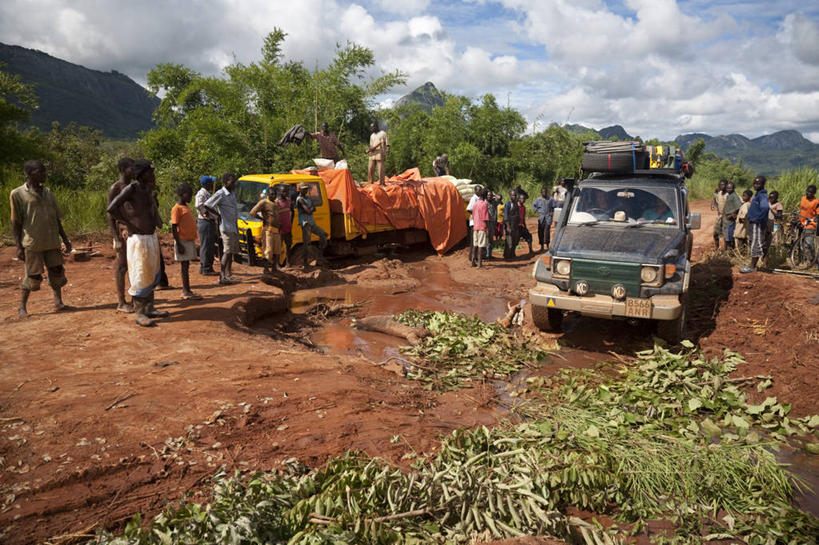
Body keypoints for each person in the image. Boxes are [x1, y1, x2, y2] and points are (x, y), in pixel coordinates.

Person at [106, 159, 169, 326]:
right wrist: (128, 222)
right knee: (140, 275)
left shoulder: (148, 190)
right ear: (142, 174)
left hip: (150, 237)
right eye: (151, 173)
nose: (153, 176)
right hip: (138, 239)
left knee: (150, 272)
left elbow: (153, 214)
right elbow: (111, 208)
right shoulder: (131, 189)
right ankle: (140, 313)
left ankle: (150, 308)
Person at [11, 160, 72, 318]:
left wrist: (65, 239)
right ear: (29, 174)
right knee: (32, 275)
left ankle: (58, 302)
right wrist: (18, 246)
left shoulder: (48, 193)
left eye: (44, 171)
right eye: (40, 171)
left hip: (51, 241)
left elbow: (56, 219)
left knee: (57, 271)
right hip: (33, 242)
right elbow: (16, 222)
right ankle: (22, 308)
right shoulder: (17, 194)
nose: (44, 174)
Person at [107, 157, 135, 312]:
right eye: (131, 168)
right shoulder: (116, 188)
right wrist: (116, 237)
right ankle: (121, 301)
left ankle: (133, 298)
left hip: (132, 231)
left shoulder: (132, 187)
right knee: (122, 265)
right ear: (124, 170)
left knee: (133, 265)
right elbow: (110, 213)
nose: (134, 171)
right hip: (122, 231)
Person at [202, 173, 239, 285]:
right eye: (232, 182)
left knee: (231, 251)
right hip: (226, 227)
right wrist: (218, 215)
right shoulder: (221, 193)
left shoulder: (232, 193)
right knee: (227, 252)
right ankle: (221, 276)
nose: (234, 184)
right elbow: (207, 205)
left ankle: (228, 274)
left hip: (233, 226)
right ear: (225, 182)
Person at [171, 183, 201, 299]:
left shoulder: (185, 207)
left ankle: (187, 289)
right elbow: (174, 227)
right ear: (182, 195)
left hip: (188, 240)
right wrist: (178, 244)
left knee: (186, 265)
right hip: (182, 241)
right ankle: (185, 290)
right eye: (189, 195)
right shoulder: (177, 209)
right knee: (184, 266)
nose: (190, 198)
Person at [740, 176, 770, 273]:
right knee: (753, 242)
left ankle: (752, 267)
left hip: (757, 224)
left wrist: (758, 219)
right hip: (754, 223)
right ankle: (752, 265)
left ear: (763, 184)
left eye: (758, 183)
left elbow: (765, 208)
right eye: (755, 183)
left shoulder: (762, 196)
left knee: (756, 243)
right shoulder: (758, 195)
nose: (756, 185)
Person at [295, 182, 328, 269]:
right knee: (307, 243)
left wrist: (311, 209)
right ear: (299, 189)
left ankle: (320, 257)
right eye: (304, 189)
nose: (306, 190)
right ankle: (305, 262)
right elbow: (309, 211)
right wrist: (311, 209)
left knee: (323, 234)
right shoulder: (300, 199)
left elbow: (313, 209)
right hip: (305, 223)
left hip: (311, 222)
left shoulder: (307, 198)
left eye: (306, 188)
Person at [250, 186, 282, 274]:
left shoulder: (275, 203)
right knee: (268, 250)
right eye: (272, 194)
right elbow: (252, 212)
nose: (274, 196)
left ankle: (274, 268)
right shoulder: (264, 202)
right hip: (268, 230)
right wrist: (262, 219)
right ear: (268, 194)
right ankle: (266, 269)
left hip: (276, 230)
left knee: (277, 250)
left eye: (275, 194)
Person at [195, 175, 219, 276]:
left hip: (209, 221)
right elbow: (198, 205)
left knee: (209, 245)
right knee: (206, 245)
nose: (212, 184)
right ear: (207, 184)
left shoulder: (207, 193)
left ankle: (205, 266)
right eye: (210, 182)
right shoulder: (201, 194)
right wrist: (206, 213)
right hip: (205, 221)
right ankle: (206, 268)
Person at [532, 186, 557, 251]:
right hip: (541, 218)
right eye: (543, 192)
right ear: (541, 192)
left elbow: (555, 206)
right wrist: (537, 211)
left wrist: (553, 212)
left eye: (545, 192)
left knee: (547, 231)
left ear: (547, 192)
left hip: (548, 218)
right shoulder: (538, 200)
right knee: (540, 231)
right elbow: (533, 205)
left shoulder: (551, 199)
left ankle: (547, 245)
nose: (544, 193)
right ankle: (542, 246)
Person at [798, 184, 818, 262]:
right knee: (800, 242)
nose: (808, 193)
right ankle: (802, 260)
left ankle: (813, 260)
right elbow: (801, 210)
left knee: (809, 243)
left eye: (811, 192)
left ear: (814, 193)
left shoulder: (816, 202)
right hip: (801, 223)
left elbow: (818, 214)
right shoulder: (803, 198)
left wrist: (815, 219)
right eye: (808, 191)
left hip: (810, 225)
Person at [470, 187, 489, 268]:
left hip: (475, 227)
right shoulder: (484, 204)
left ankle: (473, 261)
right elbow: (485, 218)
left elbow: (473, 216)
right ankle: (479, 263)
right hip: (481, 227)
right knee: (481, 246)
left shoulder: (475, 204)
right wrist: (487, 229)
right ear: (485, 196)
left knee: (475, 245)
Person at [276, 186, 294, 267]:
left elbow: (292, 211)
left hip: (288, 228)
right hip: (280, 229)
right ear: (279, 192)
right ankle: (277, 264)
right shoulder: (276, 202)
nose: (285, 193)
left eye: (286, 192)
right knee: (278, 247)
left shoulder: (289, 201)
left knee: (288, 246)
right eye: (283, 192)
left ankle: (288, 263)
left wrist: (291, 222)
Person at [466, 185, 483, 264]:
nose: (479, 191)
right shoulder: (474, 199)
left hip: (477, 222)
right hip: (474, 223)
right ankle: (472, 258)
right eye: (478, 190)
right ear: (475, 191)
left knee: (475, 241)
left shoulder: (479, 199)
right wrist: (475, 215)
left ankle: (474, 257)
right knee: (474, 242)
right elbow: (469, 209)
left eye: (480, 190)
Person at [722, 182, 742, 250]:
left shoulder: (734, 196)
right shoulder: (729, 195)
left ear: (733, 188)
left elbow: (738, 207)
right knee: (726, 237)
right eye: (727, 188)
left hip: (730, 221)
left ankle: (730, 253)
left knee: (730, 239)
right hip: (726, 220)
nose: (728, 189)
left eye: (730, 188)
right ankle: (727, 251)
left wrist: (731, 215)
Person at [711, 179, 728, 250]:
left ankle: (726, 249)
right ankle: (716, 247)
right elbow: (715, 199)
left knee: (726, 235)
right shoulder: (719, 193)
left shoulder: (729, 194)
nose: (722, 186)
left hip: (727, 217)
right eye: (720, 185)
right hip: (720, 216)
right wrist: (715, 205)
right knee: (715, 233)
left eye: (723, 185)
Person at [503, 190, 519, 260]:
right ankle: (507, 256)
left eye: (515, 195)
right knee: (509, 242)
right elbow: (506, 217)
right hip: (509, 225)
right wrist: (508, 227)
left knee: (514, 241)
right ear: (510, 196)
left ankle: (512, 254)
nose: (514, 197)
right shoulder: (508, 204)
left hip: (515, 226)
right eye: (513, 195)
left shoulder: (516, 204)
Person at [485, 191, 498, 259]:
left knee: (491, 239)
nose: (489, 196)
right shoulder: (484, 202)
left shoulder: (494, 202)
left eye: (490, 195)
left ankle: (490, 254)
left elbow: (499, 198)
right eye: (488, 195)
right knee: (486, 239)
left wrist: (494, 194)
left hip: (492, 223)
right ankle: (486, 255)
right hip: (486, 223)